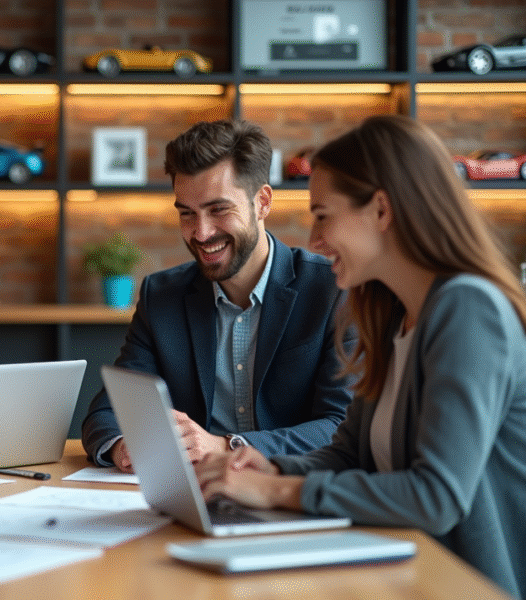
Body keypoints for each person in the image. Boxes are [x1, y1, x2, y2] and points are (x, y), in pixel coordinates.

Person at [194, 115, 526, 599]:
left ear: (382, 210)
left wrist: (276, 493)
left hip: (462, 584)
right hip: (397, 571)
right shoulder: (391, 314)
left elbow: (436, 497)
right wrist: (268, 468)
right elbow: (352, 456)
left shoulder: (469, 309)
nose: (312, 240)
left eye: (323, 215)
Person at [82, 118, 354, 472]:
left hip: (290, 492)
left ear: (262, 202)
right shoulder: (162, 297)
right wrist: (123, 445)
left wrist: (227, 446)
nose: (201, 232)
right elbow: (108, 411)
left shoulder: (332, 290)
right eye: (187, 214)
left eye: (218, 209)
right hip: (192, 496)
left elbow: (342, 427)